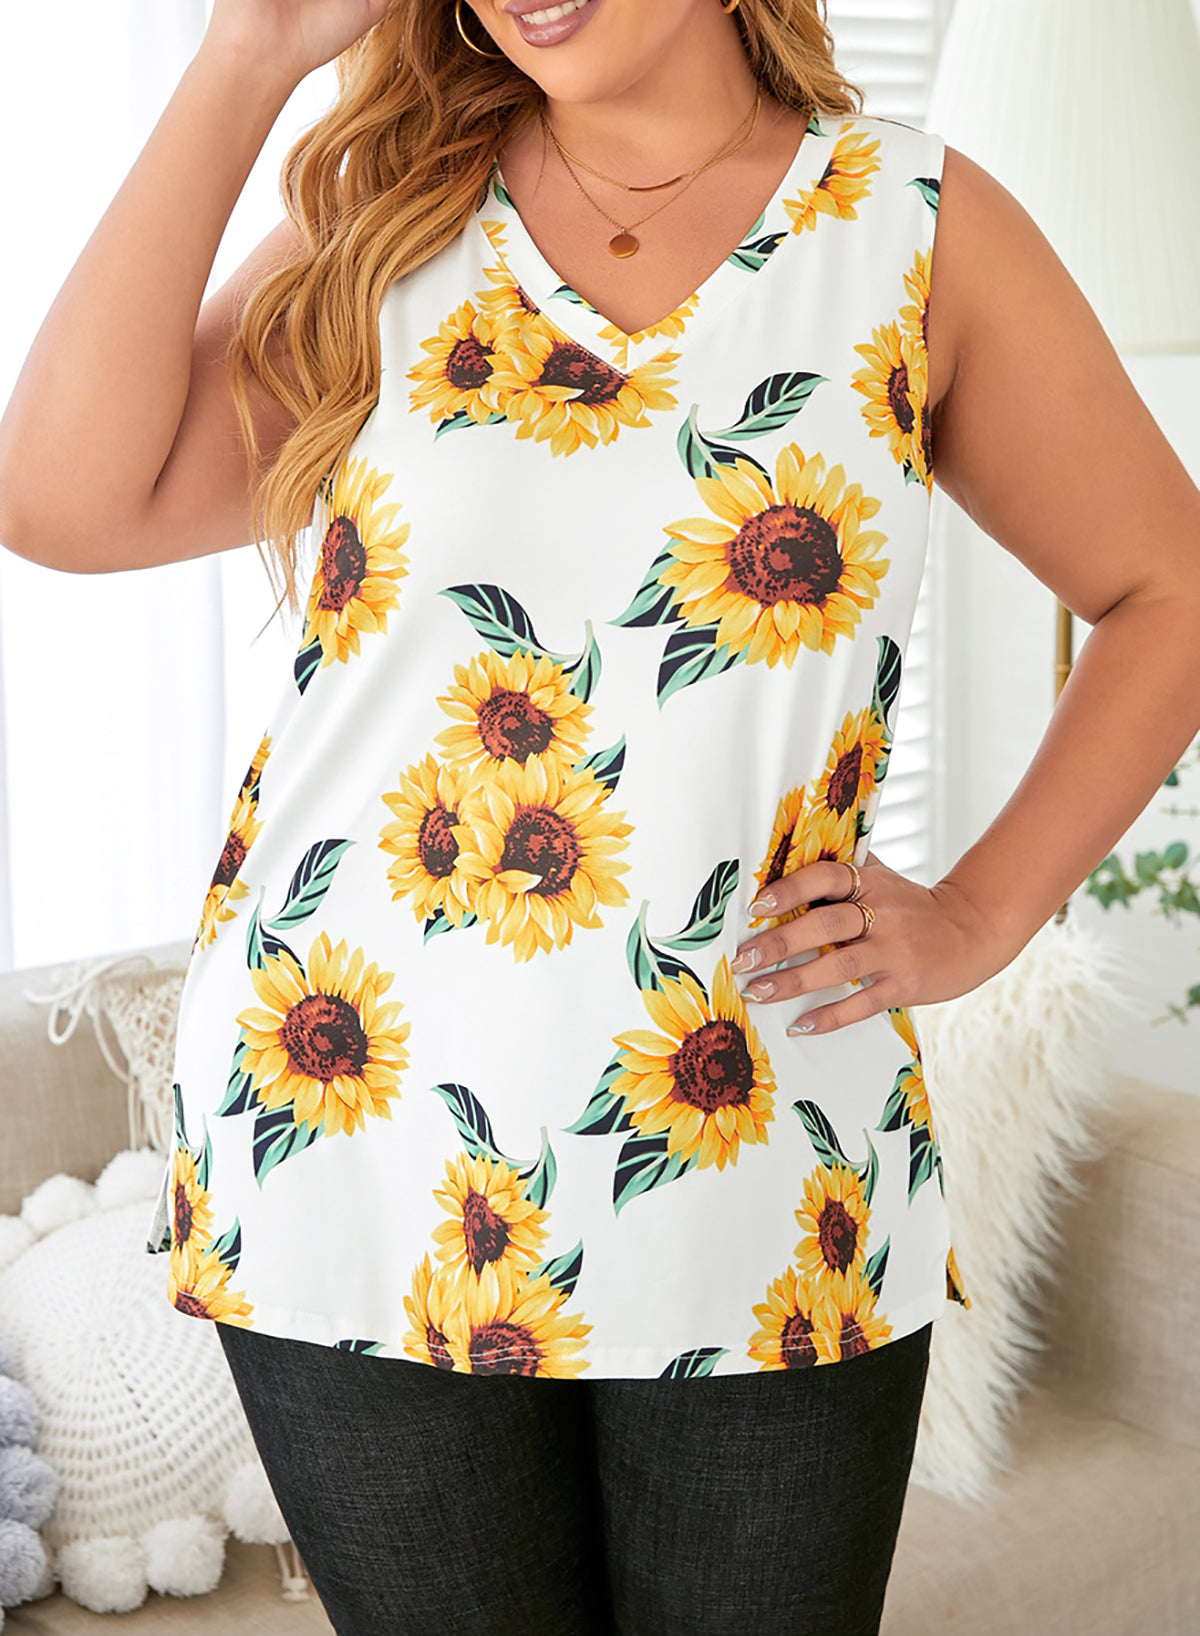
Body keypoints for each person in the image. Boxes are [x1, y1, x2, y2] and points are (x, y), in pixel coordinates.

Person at [3, 0, 1200, 1631]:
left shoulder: (912, 230)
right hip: (355, 1153)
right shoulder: (392, 218)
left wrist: (984, 914)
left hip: (762, 1165)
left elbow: (1167, 588)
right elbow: (60, 501)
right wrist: (246, 57)